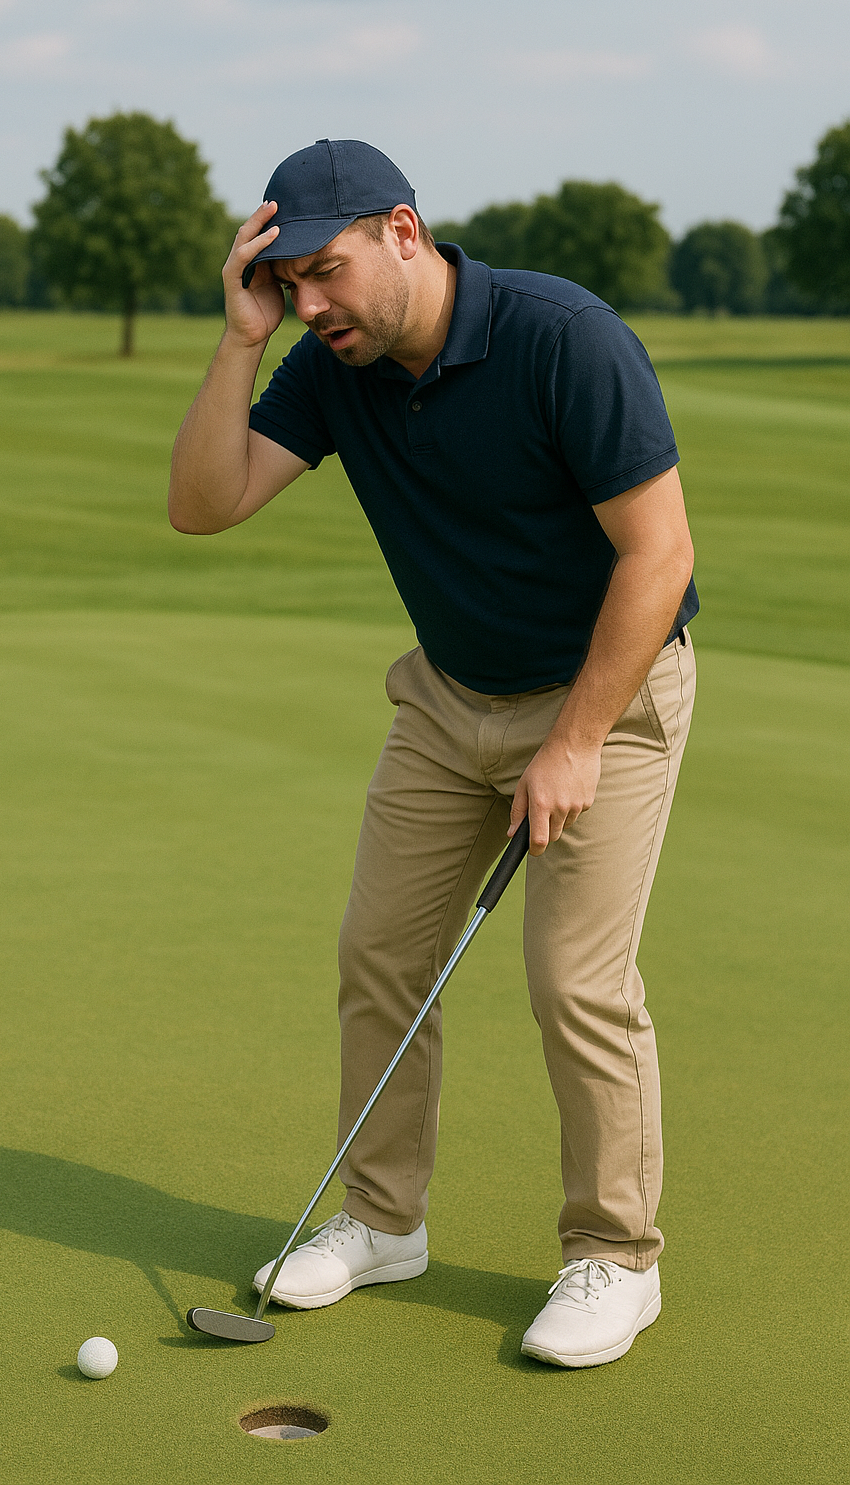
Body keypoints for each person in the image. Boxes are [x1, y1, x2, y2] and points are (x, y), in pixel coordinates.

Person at [169, 139, 697, 1369]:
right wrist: (243, 341)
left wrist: (572, 741)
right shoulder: (325, 361)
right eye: (286, 281)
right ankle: (380, 1220)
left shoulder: (563, 338)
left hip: (603, 693)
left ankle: (614, 1259)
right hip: (448, 697)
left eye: (327, 272)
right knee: (381, 953)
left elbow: (657, 556)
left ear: (403, 232)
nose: (311, 303)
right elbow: (206, 503)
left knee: (575, 977)